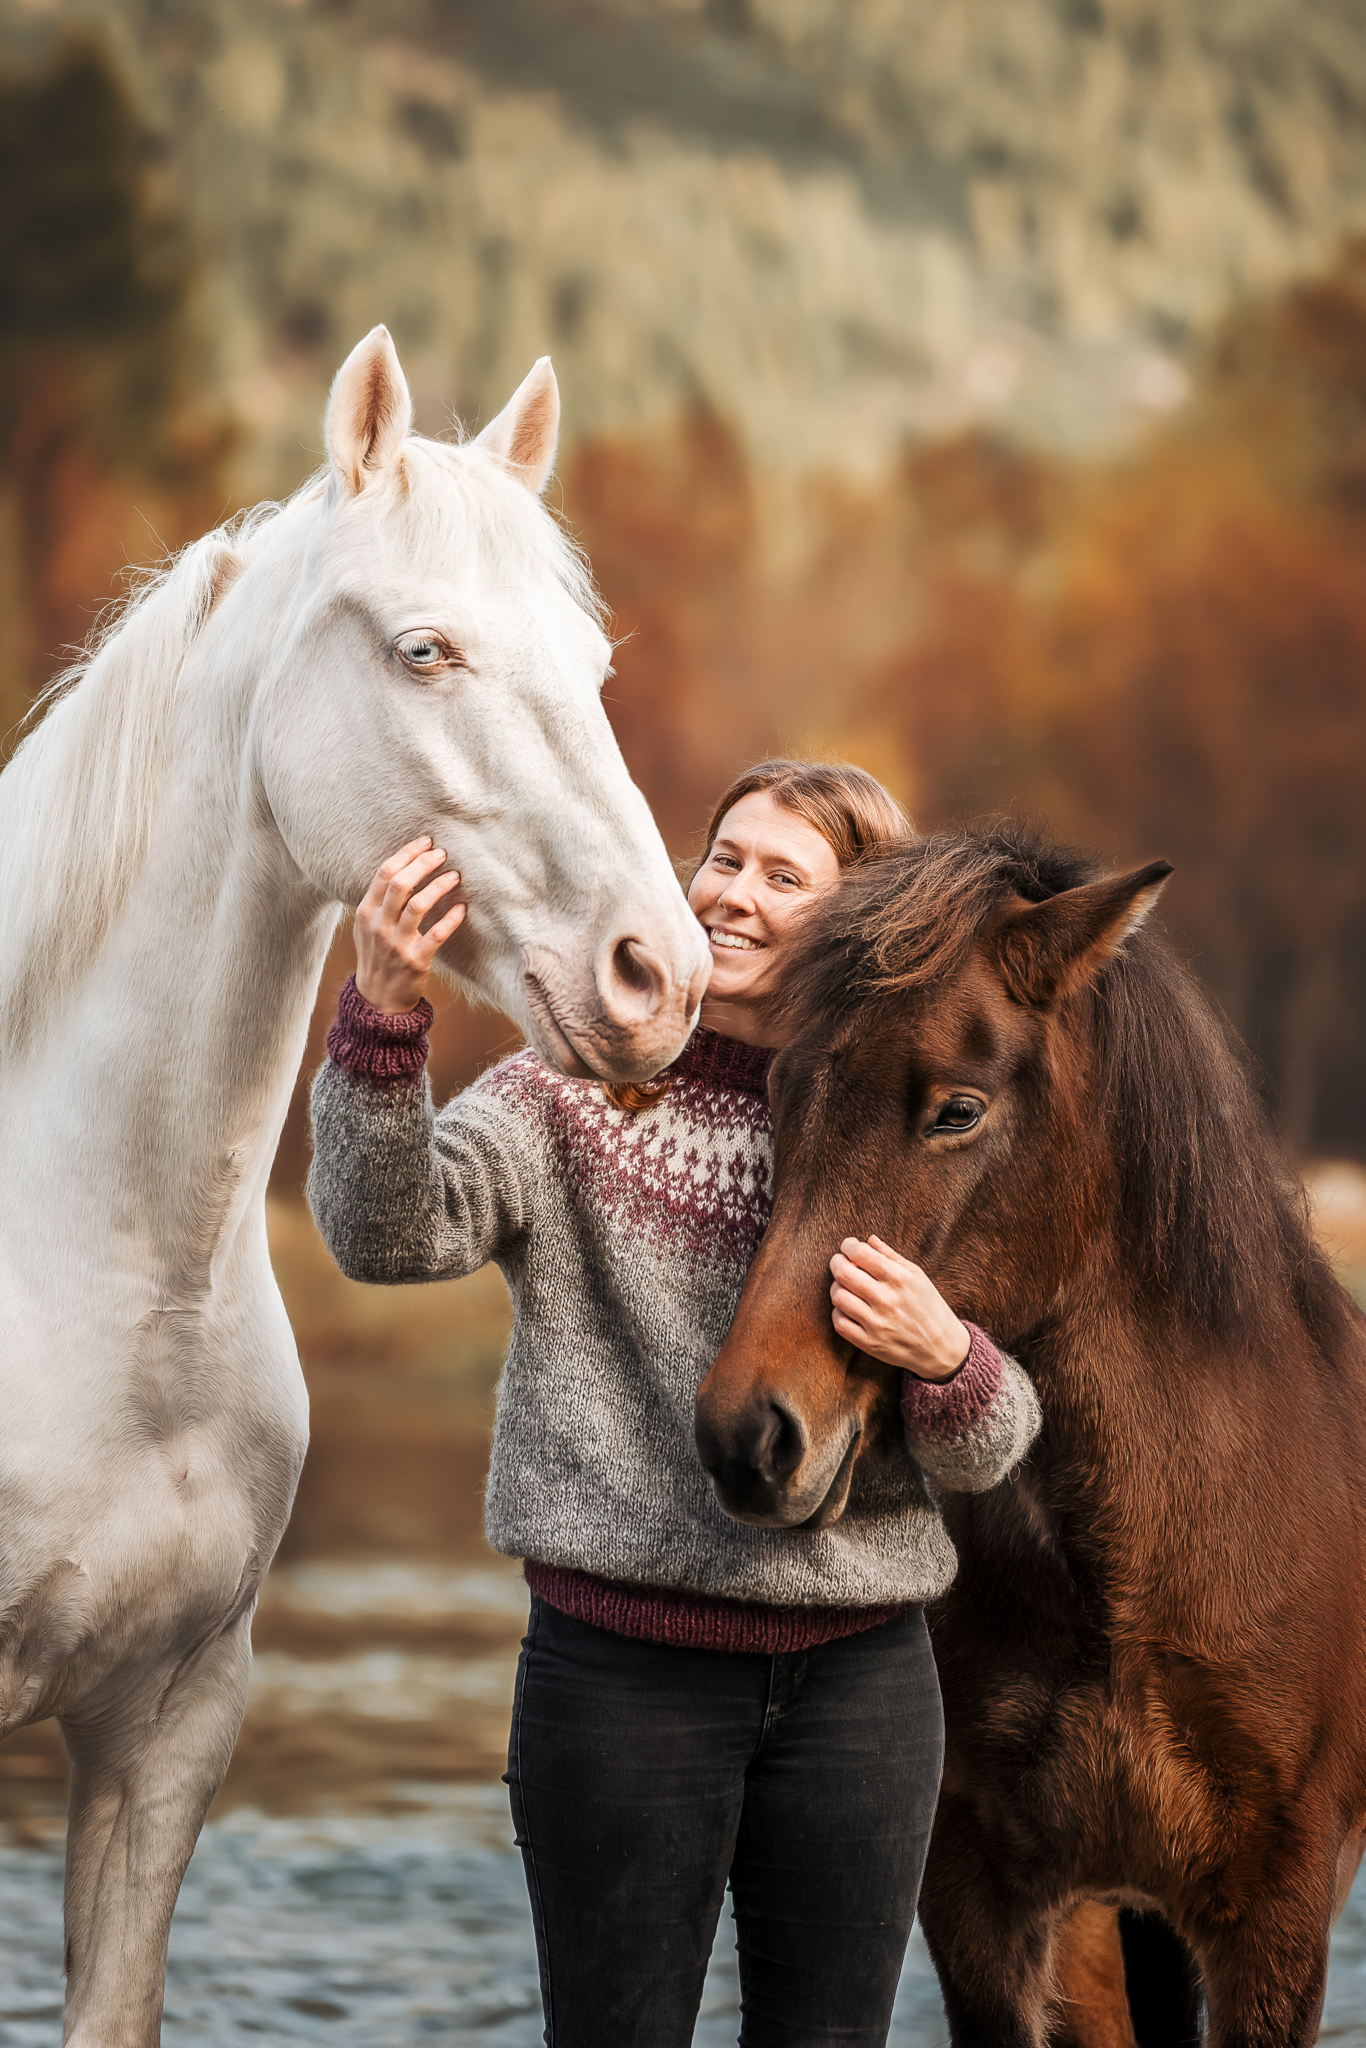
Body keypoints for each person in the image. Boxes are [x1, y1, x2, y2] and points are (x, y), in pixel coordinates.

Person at [308, 760, 1040, 2048]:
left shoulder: (907, 1125)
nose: (733, 896)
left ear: (860, 925)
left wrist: (949, 1358)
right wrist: (383, 1014)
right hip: (621, 1683)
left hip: (861, 1688)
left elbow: (987, 1454)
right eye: (723, 857)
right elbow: (386, 1236)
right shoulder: (567, 1089)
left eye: (783, 875)